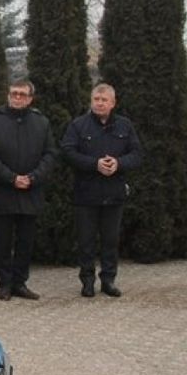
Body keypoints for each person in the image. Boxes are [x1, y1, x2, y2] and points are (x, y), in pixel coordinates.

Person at [61, 83, 143, 298]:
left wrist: (118, 163)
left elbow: (137, 154)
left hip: (114, 193)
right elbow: (68, 152)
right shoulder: (78, 126)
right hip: (86, 194)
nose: (99, 103)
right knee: (86, 241)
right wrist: (94, 164)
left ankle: (108, 280)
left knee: (110, 240)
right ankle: (87, 281)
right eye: (96, 99)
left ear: (113, 103)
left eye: (104, 100)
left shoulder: (125, 126)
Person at [0, 79, 57, 301]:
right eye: (14, 93)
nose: (17, 98)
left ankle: (20, 283)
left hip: (31, 191)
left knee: (26, 241)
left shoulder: (41, 122)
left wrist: (33, 178)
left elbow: (50, 153)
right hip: (3, 191)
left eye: (22, 95)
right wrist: (11, 178)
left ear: (30, 98)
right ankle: (5, 284)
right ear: (8, 95)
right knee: (3, 242)